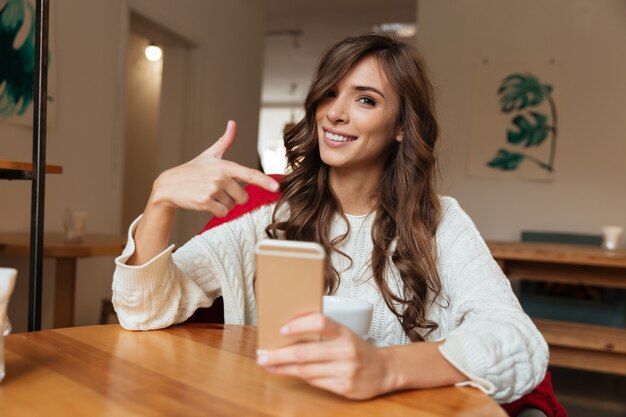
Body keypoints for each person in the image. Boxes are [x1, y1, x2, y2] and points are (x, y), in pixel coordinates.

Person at [113, 34, 548, 405]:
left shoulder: (440, 221)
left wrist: (383, 367)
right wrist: (160, 201)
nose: (335, 113)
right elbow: (144, 311)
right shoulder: (271, 212)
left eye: (365, 99)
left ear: (401, 126)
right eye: (329, 93)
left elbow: (519, 344)